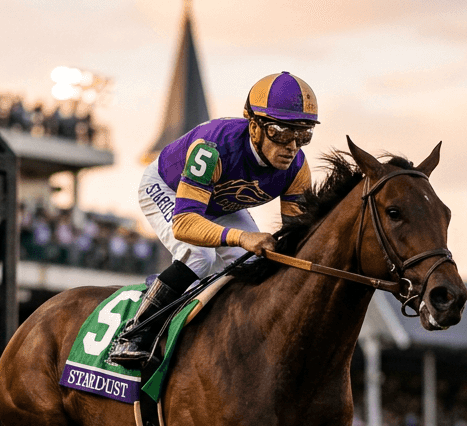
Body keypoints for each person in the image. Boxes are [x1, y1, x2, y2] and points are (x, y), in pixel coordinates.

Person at [106, 72, 319, 369]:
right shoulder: (213, 147)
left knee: (254, 265)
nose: (292, 146)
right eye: (281, 132)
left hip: (219, 203)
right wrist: (242, 237)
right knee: (198, 256)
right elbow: (184, 224)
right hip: (169, 188)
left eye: (303, 134)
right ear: (254, 126)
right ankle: (135, 334)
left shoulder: (297, 168)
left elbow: (298, 239)